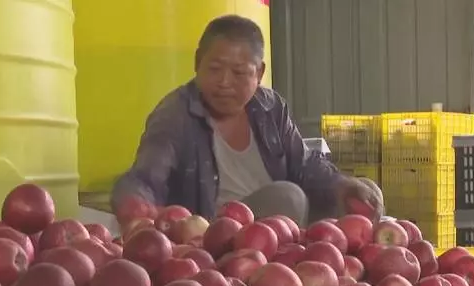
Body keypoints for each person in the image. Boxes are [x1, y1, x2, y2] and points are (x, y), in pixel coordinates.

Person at [110, 15, 384, 227]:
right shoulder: (175, 114)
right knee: (289, 197)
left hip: (282, 227)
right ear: (197, 63)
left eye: (239, 73)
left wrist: (342, 184)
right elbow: (145, 178)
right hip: (217, 235)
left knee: (360, 197)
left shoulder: (270, 107)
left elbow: (304, 164)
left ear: (260, 72)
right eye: (214, 69)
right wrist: (136, 207)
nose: (225, 83)